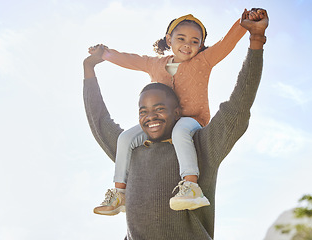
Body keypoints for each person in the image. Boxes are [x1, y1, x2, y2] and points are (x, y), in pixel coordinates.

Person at [83, 8, 268, 239]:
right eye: (181, 38)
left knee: (181, 131)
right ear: (169, 39)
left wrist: (247, 28)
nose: (187, 45)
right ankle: (120, 192)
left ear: (201, 46)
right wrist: (102, 57)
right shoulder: (154, 65)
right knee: (124, 138)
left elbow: (225, 48)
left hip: (191, 122)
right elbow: (130, 62)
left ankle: (190, 186)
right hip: (162, 133)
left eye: (195, 41)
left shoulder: (203, 64)